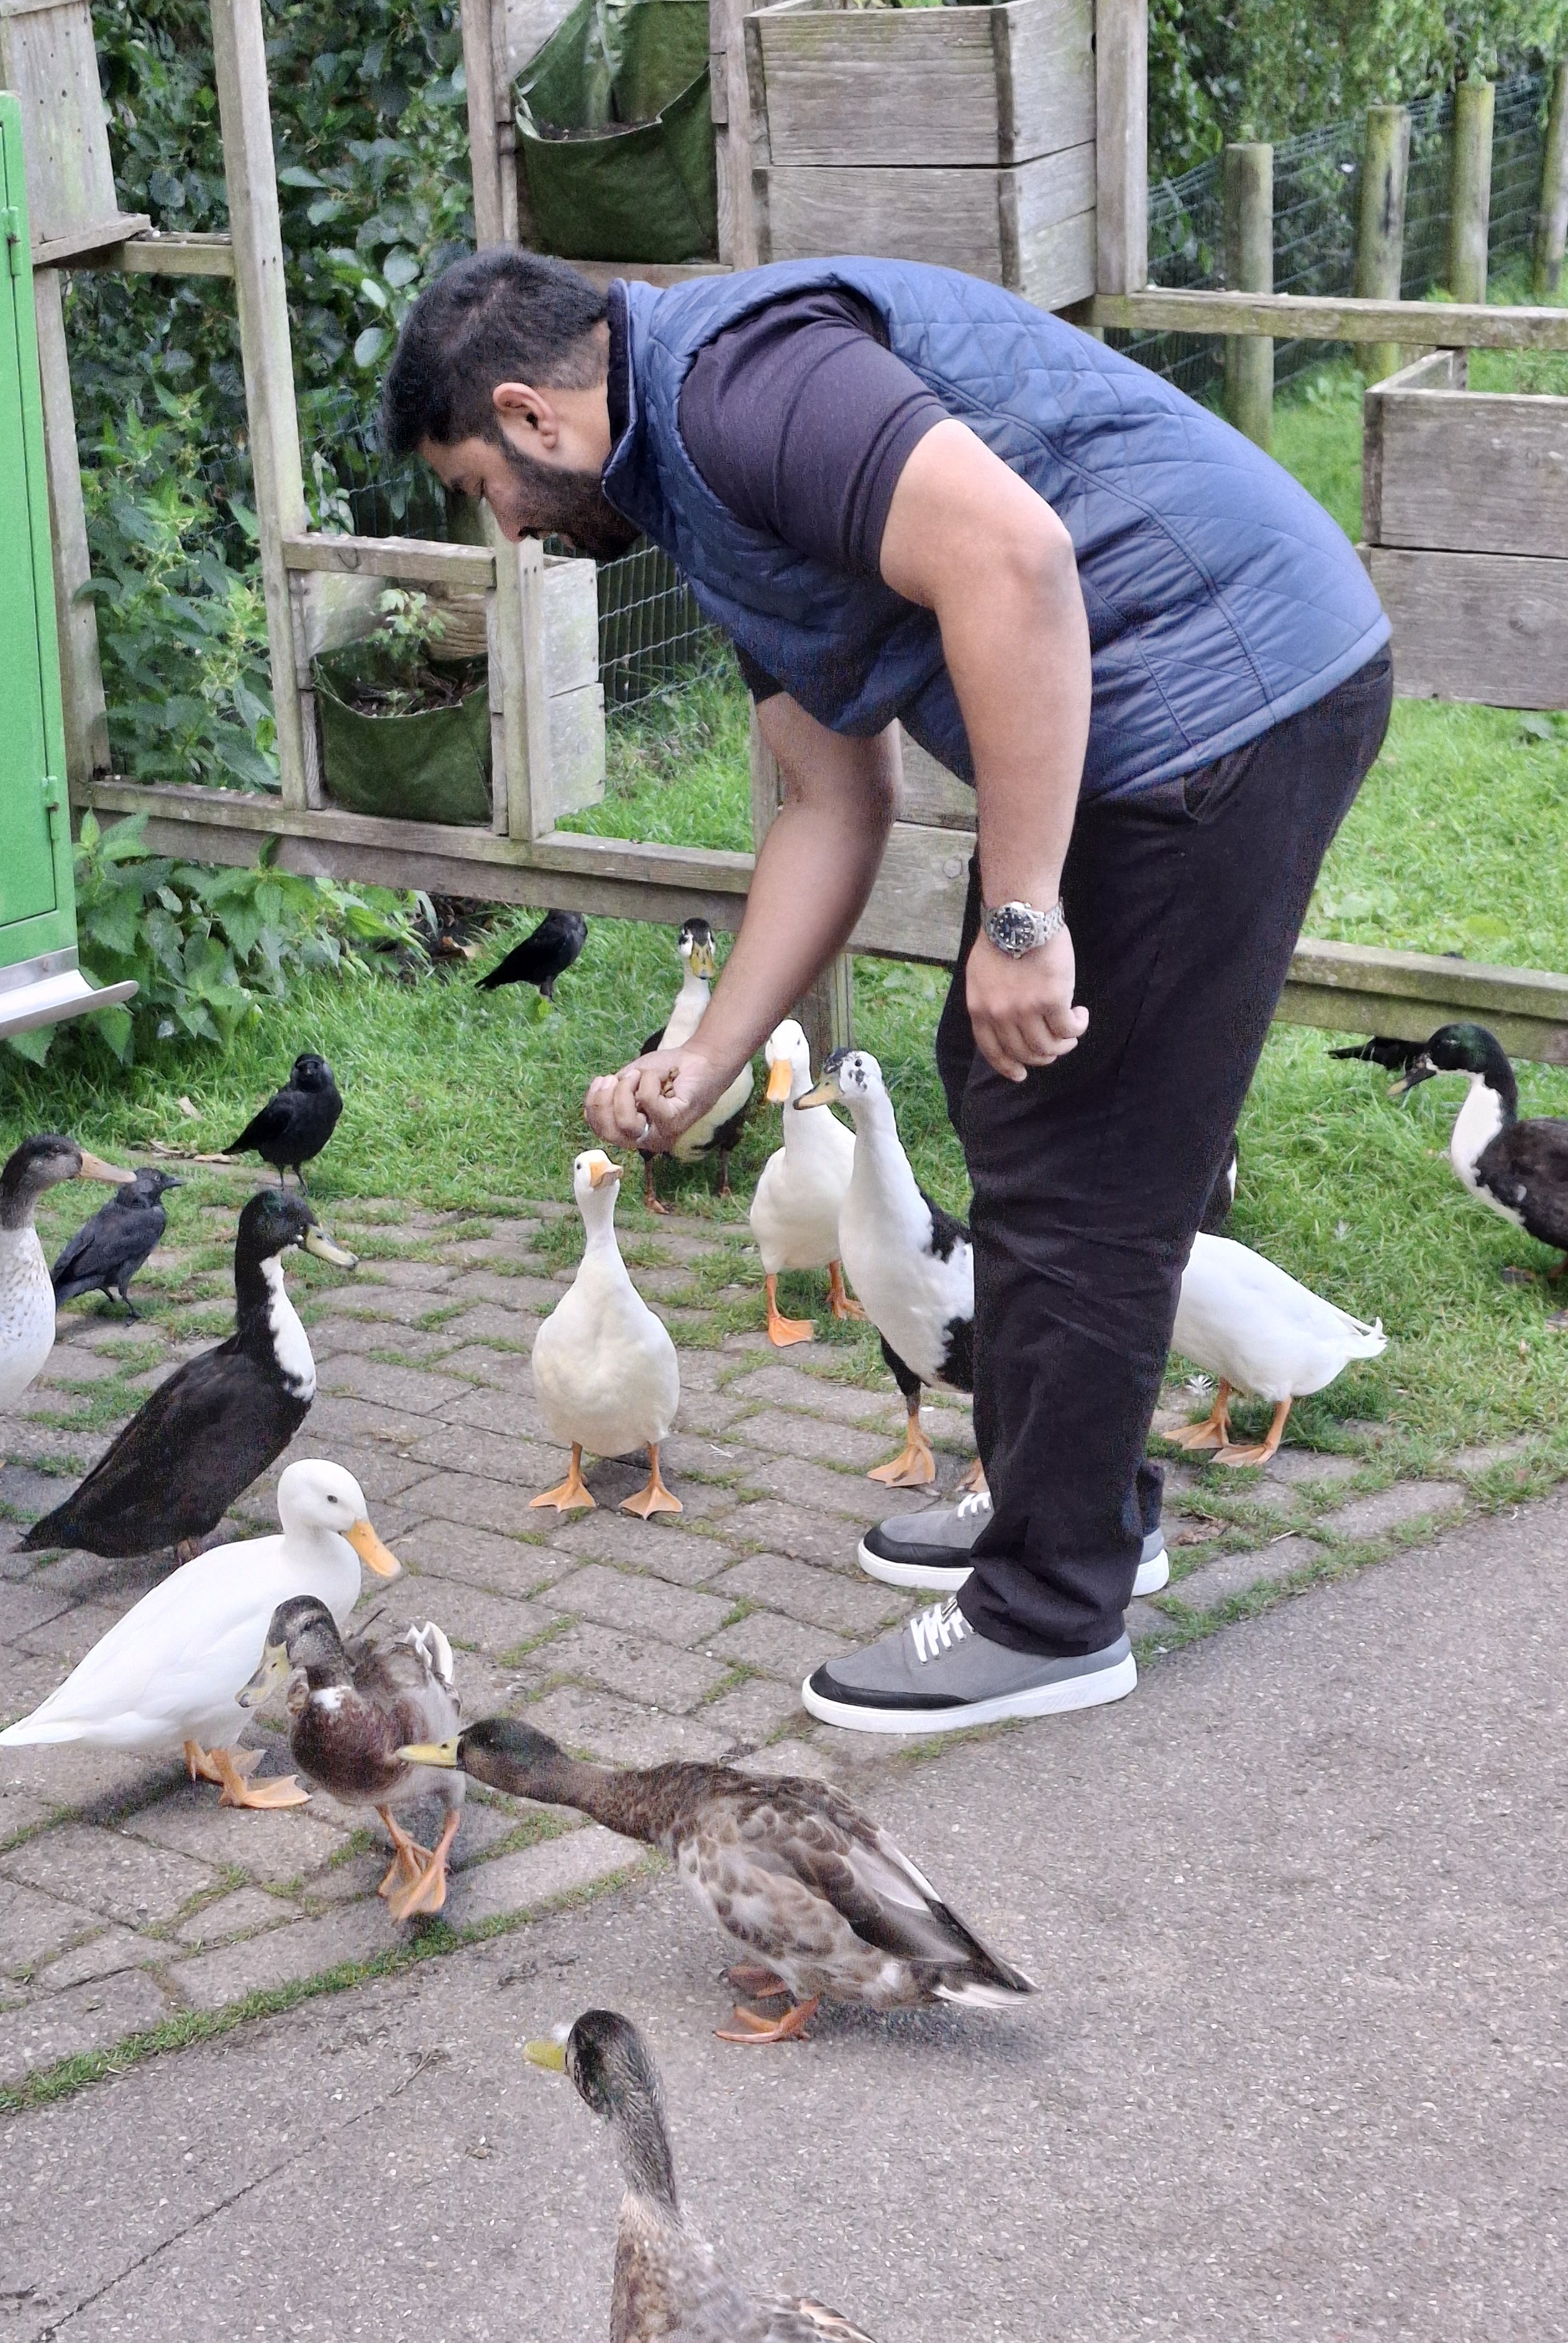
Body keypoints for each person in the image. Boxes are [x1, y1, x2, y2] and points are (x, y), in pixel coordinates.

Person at [382, 246, 1392, 1735]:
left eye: (481, 489)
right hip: (1185, 707)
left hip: (1221, 695)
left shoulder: (743, 387)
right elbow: (825, 805)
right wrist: (714, 1054)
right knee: (1007, 1092)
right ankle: (1077, 1512)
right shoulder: (691, 483)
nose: (511, 532)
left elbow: (1016, 563)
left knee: (1079, 1142)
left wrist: (1025, 914)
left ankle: (1051, 1614)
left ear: (531, 417)